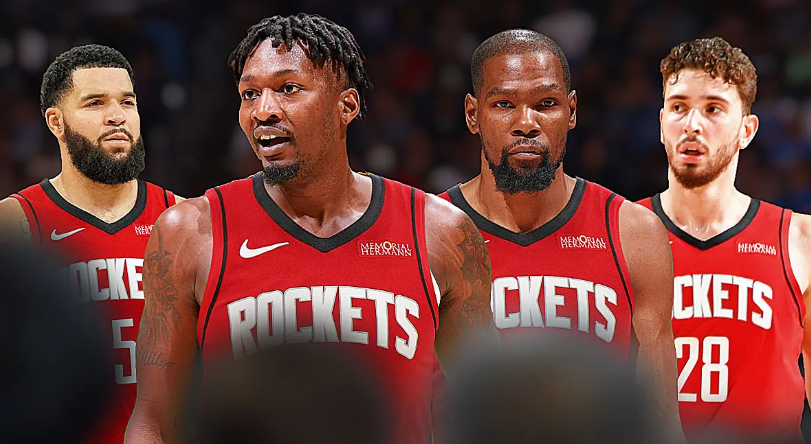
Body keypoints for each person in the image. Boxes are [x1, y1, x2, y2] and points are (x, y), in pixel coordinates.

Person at [125, 14, 498, 444]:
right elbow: (153, 421)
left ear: (347, 106)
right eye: (250, 94)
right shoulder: (188, 233)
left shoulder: (442, 232)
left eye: (288, 88)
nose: (263, 111)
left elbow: (489, 412)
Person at [436, 29, 683, 441]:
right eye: (504, 104)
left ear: (571, 111)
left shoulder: (632, 231)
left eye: (546, 104)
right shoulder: (429, 233)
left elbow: (661, 423)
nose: (526, 124)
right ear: (472, 114)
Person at [0, 44, 180, 444]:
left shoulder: (185, 218)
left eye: (127, 102)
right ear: (56, 122)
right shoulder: (14, 224)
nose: (117, 116)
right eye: (95, 103)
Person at [637, 37, 811, 443]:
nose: (692, 124)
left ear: (747, 130)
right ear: (661, 123)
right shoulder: (617, 234)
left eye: (713, 108)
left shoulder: (800, 239)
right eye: (678, 107)